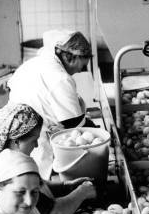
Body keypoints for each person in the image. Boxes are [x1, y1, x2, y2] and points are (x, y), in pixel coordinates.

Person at [0, 102, 96, 214]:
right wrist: (82, 192)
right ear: (15, 142)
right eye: (33, 140)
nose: (36, 145)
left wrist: (66, 186)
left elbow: (36, 186)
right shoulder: (4, 170)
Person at [8, 30, 95, 178]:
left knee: (21, 173)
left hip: (15, 130)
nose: (79, 71)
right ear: (72, 57)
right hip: (35, 138)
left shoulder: (35, 63)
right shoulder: (61, 78)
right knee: (36, 179)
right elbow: (73, 125)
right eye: (82, 66)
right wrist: (95, 130)